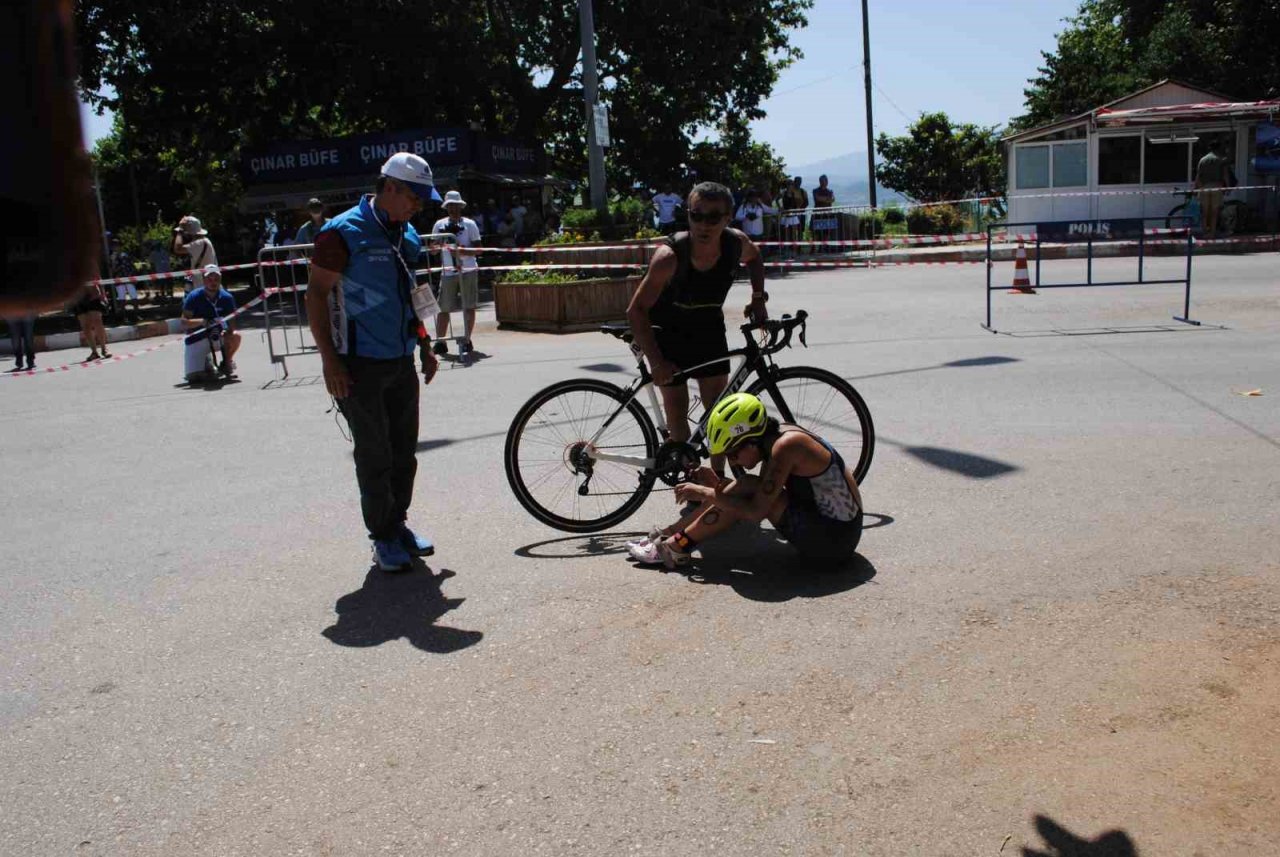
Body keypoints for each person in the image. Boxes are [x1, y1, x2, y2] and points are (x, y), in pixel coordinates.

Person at [304, 152, 443, 573]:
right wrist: (330, 362)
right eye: (414, 198)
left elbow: (412, 296)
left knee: (405, 452)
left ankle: (397, 524)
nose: (417, 206)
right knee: (375, 453)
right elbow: (315, 294)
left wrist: (425, 345)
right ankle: (382, 537)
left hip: (401, 360)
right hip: (358, 364)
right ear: (391, 187)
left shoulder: (408, 236)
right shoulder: (342, 232)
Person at [626, 181, 769, 475]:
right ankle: (690, 481)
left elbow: (755, 259)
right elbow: (636, 310)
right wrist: (657, 362)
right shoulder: (669, 257)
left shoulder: (735, 243)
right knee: (677, 411)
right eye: (697, 215)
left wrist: (758, 299)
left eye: (713, 217)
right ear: (688, 215)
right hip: (669, 333)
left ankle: (716, 481)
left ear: (729, 217)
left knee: (718, 413)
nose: (704, 224)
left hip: (708, 328)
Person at [626, 392, 864, 569]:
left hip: (834, 544)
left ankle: (675, 547)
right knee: (746, 485)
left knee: (745, 490)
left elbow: (755, 511)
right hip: (832, 527)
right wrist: (714, 486)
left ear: (751, 441)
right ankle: (672, 535)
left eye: (733, 453)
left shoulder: (786, 447)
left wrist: (705, 493)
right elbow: (758, 492)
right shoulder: (777, 436)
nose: (734, 461)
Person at [430, 190, 483, 357]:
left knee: (469, 305)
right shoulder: (439, 225)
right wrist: (438, 243)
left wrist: (461, 251)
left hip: (467, 269)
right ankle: (440, 341)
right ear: (446, 207)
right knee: (443, 306)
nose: (453, 209)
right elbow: (432, 250)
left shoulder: (469, 224)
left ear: (461, 206)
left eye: (456, 205)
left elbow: (478, 249)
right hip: (448, 271)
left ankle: (467, 339)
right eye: (450, 206)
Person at [180, 264, 241, 380]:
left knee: (235, 336)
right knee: (194, 378)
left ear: (220, 279)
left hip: (218, 337)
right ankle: (206, 361)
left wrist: (227, 331)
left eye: (216, 279)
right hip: (197, 339)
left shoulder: (227, 298)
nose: (213, 282)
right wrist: (203, 322)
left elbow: (232, 324)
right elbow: (183, 322)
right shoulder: (193, 296)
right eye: (209, 279)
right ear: (203, 279)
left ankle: (226, 362)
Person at [1194, 141, 1230, 238]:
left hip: (1204, 187)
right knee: (1214, 211)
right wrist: (1228, 187)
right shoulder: (1221, 160)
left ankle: (1205, 232)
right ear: (1218, 149)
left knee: (1204, 212)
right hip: (1216, 187)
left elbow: (1198, 176)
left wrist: (1196, 188)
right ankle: (1212, 233)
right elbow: (1225, 175)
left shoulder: (1202, 160)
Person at [171, 215, 218, 290]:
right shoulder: (203, 241)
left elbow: (178, 249)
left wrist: (180, 231)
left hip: (203, 286)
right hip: (203, 283)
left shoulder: (199, 243)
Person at [70, 280, 110, 362]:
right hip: (78, 297)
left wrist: (103, 294)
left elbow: (98, 277)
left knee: (97, 321)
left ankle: (104, 349)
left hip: (93, 295)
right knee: (85, 326)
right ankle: (94, 352)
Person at [109, 240, 139, 320]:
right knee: (121, 298)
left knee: (134, 296)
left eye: (117, 245)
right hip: (119, 279)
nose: (116, 247)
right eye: (114, 246)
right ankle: (123, 316)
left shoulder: (126, 255)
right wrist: (115, 263)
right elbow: (112, 269)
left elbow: (131, 266)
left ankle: (136, 314)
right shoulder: (112, 257)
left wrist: (134, 276)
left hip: (129, 277)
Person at [779, 176, 808, 245]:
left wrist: (799, 209)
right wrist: (780, 207)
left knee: (799, 231)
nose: (798, 183)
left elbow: (806, 203)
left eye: (800, 182)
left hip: (799, 214)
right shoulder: (786, 192)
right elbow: (780, 200)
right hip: (788, 215)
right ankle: (789, 247)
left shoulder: (802, 191)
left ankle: (798, 247)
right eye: (797, 182)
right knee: (788, 233)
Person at [811, 174, 836, 245]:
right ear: (820, 181)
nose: (826, 182)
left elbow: (833, 200)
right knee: (815, 232)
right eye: (824, 180)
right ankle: (814, 247)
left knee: (826, 232)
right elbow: (817, 198)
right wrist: (827, 199)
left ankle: (824, 247)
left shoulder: (830, 191)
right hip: (817, 214)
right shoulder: (815, 190)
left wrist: (824, 199)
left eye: (826, 180)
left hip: (827, 214)